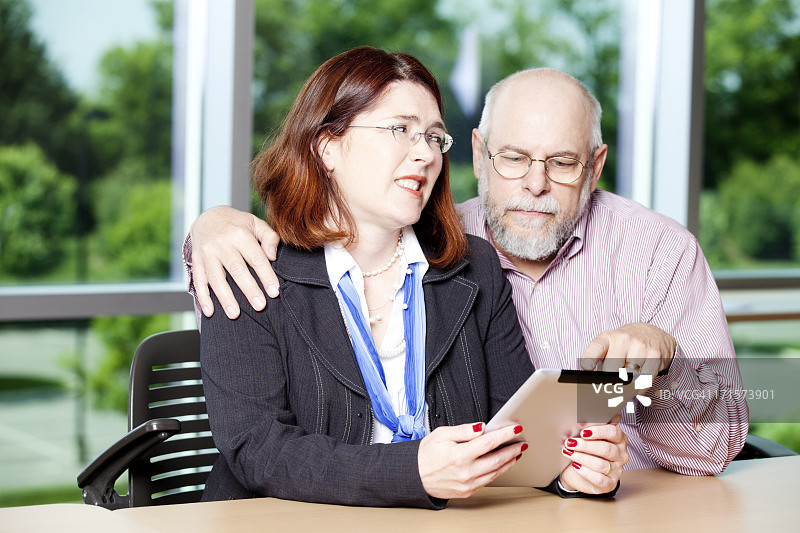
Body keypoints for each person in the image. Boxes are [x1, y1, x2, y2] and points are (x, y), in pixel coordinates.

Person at [185, 65, 748, 476]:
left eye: (561, 162)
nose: (535, 184)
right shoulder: (453, 242)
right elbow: (257, 444)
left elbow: (727, 429)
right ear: (479, 156)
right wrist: (205, 229)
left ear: (594, 167)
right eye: (514, 157)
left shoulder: (654, 253)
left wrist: (656, 372)